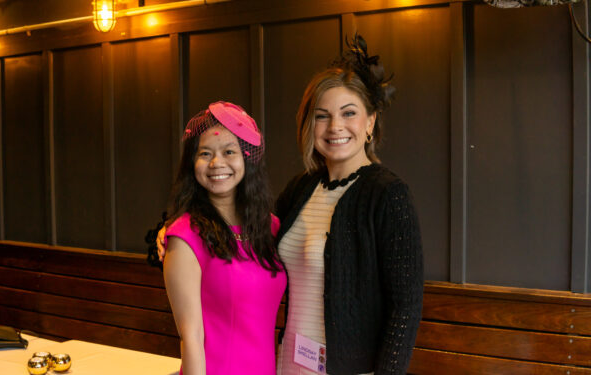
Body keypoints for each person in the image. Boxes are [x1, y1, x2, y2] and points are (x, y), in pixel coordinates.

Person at [156, 35, 423, 375]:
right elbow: (245, 231)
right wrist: (174, 232)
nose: (335, 127)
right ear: (310, 124)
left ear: (370, 122)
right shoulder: (300, 189)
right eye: (322, 116)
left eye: (349, 113)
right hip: (285, 364)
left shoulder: (388, 194)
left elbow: (406, 308)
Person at [162, 101, 286, 375]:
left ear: (247, 159)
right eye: (205, 153)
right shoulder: (185, 237)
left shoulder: (271, 227)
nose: (216, 163)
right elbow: (191, 338)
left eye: (229, 152)